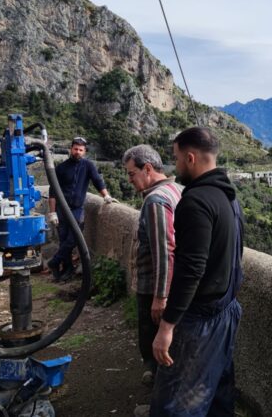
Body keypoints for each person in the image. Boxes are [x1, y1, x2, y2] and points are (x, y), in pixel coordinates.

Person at [148, 127, 244, 417]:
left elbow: (191, 269)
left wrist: (166, 326)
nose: (175, 166)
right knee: (217, 395)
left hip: (201, 321)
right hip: (226, 311)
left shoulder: (195, 201)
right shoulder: (230, 197)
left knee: (175, 405)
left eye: (176, 158)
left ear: (190, 158)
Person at [122, 145, 183, 387]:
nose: (129, 180)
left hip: (153, 287)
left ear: (147, 168)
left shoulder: (156, 201)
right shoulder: (175, 189)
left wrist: (160, 297)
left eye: (131, 173)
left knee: (156, 344)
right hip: (161, 286)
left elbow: (165, 251)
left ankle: (161, 396)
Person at [47, 136, 116, 281]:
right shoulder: (61, 168)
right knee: (64, 240)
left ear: (84, 152)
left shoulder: (88, 166)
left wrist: (106, 196)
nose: (77, 152)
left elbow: (97, 181)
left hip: (77, 209)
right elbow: (52, 191)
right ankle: (66, 270)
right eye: (75, 149)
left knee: (73, 240)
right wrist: (52, 212)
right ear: (70, 149)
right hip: (61, 209)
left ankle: (54, 262)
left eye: (81, 150)